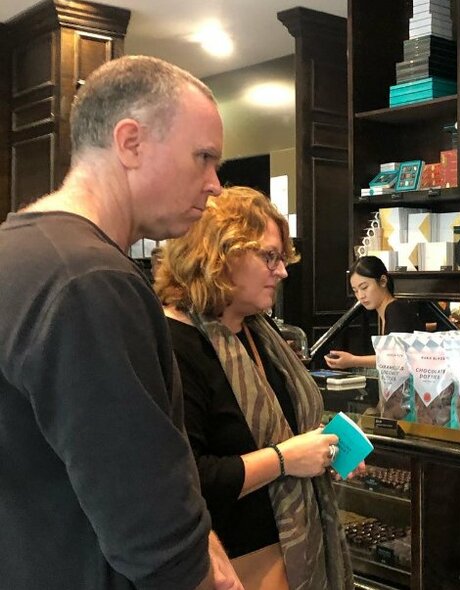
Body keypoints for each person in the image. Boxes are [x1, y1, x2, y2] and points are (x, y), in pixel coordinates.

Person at [0, 56, 243, 589]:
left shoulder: (18, 251)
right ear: (130, 142)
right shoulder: (89, 281)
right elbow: (156, 537)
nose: (216, 185)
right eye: (203, 158)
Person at [155, 187, 354, 590]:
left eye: (282, 258)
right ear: (219, 256)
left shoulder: (257, 332)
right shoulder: (175, 343)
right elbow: (185, 479)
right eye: (270, 257)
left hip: (289, 553)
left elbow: (289, 426)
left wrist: (326, 447)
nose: (282, 271)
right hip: (233, 567)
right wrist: (285, 459)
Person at [324, 255, 422, 369]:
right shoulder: (385, 312)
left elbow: (396, 357)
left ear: (383, 281)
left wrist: (353, 360)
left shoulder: (395, 309)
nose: (360, 296)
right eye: (355, 291)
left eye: (364, 287)